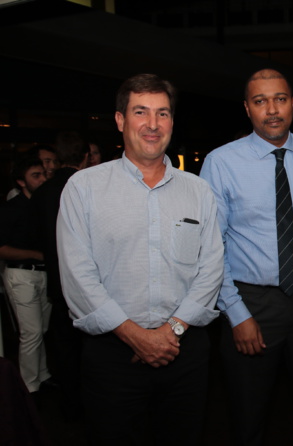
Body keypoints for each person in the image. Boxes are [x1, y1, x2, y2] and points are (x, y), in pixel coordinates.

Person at [57, 74, 224, 445]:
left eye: (162, 113)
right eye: (140, 112)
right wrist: (135, 336)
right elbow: (78, 276)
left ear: (172, 122)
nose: (152, 124)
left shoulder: (198, 191)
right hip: (112, 357)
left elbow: (211, 268)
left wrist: (171, 331)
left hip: (185, 352)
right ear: (120, 120)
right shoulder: (83, 188)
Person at [200, 68, 293, 446]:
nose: (272, 109)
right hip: (252, 305)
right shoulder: (220, 162)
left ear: (292, 103)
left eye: (280, 99)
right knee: (248, 417)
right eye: (260, 101)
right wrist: (236, 314)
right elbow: (210, 247)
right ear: (247, 108)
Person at [30, 131, 89, 420]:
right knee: (91, 349)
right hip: (89, 284)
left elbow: (36, 237)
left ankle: (71, 405)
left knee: (65, 350)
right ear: (86, 157)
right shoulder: (88, 187)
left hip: (57, 283)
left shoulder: (43, 192)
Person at [0, 153, 49, 395]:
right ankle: (28, 387)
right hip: (20, 275)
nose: (42, 179)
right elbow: (2, 249)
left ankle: (42, 375)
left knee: (41, 330)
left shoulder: (41, 206)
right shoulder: (11, 209)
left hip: (43, 274)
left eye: (43, 174)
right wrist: (37, 255)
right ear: (21, 182)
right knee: (31, 332)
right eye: (36, 175)